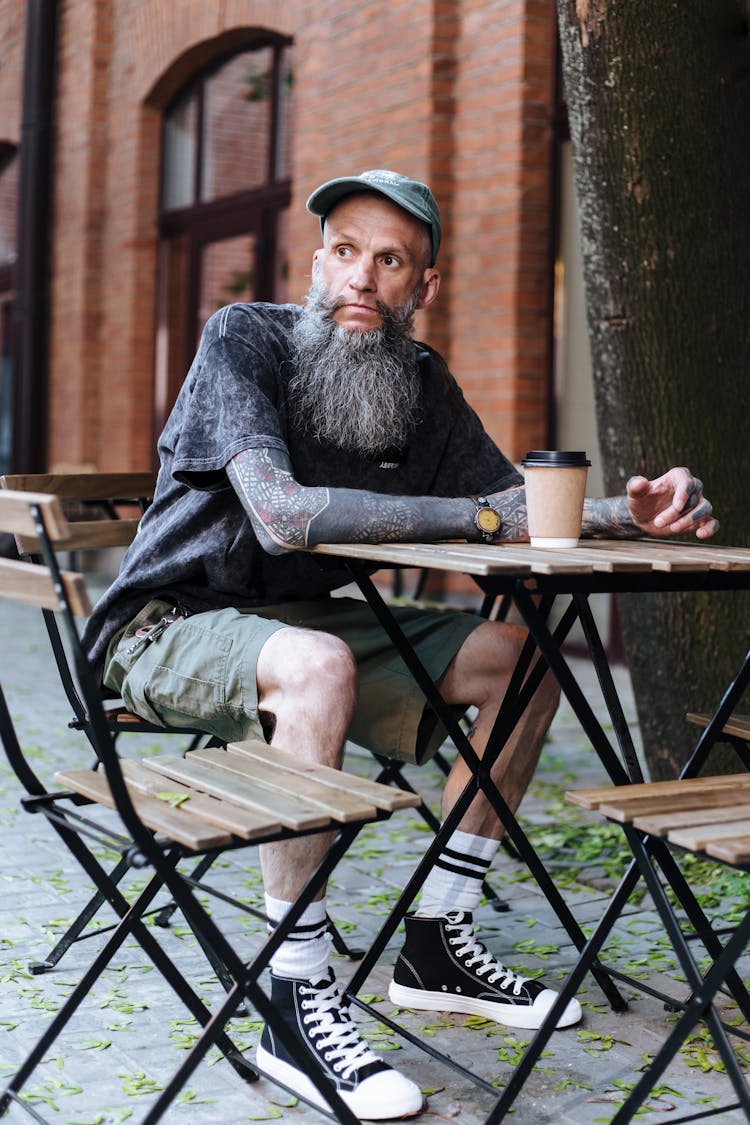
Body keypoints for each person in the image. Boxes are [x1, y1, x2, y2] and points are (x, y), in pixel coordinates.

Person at [84, 169, 718, 1121]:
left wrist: (630, 519)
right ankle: (295, 995)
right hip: (164, 627)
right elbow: (285, 516)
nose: (362, 279)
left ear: (423, 285)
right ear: (315, 262)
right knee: (316, 664)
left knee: (525, 655)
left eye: (391, 260)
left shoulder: (418, 381)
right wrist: (475, 519)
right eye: (345, 250)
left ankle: (436, 935)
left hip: (302, 628)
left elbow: (513, 510)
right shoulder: (243, 339)